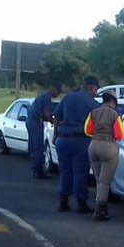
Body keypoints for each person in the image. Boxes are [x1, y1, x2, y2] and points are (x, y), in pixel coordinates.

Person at [52, 75, 98, 213]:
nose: (96, 92)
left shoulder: (67, 98)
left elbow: (57, 118)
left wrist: (55, 135)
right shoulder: (92, 103)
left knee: (65, 171)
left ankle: (63, 201)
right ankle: (81, 203)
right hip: (81, 141)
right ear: (91, 88)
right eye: (95, 89)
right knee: (80, 173)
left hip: (63, 139)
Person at [85, 91, 124, 221]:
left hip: (93, 146)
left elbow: (87, 130)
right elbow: (120, 134)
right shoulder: (115, 114)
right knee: (105, 181)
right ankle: (100, 210)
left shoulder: (94, 112)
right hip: (108, 147)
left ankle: (102, 207)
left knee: (99, 180)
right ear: (113, 102)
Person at [29, 82, 62, 180]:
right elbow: (47, 113)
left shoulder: (42, 96)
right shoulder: (47, 97)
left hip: (32, 120)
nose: (58, 94)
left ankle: (36, 168)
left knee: (34, 145)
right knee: (38, 146)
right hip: (36, 121)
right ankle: (39, 170)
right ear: (54, 89)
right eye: (58, 91)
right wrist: (54, 121)